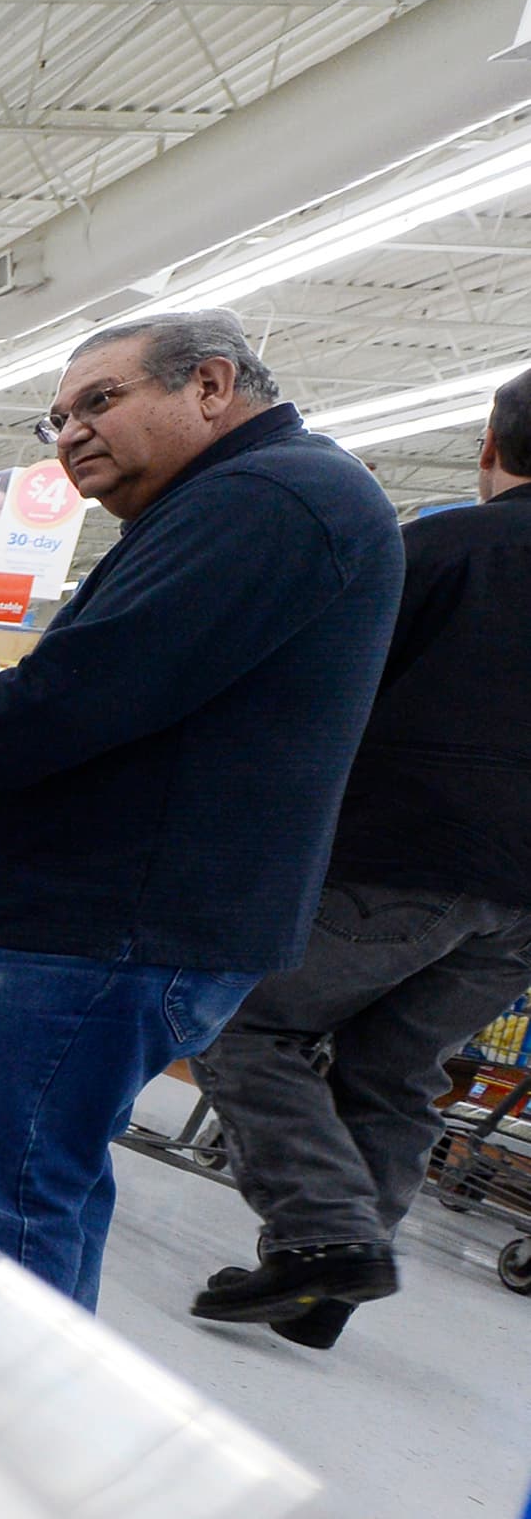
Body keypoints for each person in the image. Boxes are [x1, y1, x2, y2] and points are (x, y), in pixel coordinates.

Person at [0, 310, 401, 1309]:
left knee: (6, 1183)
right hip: (123, 916)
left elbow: (82, 689)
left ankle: (11, 1440)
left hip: (114, 919)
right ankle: (30, 1418)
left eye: (100, 400)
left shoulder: (267, 498)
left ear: (210, 386)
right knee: (37, 1171)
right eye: (54, 418)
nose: (70, 434)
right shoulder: (239, 500)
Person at [186, 369, 531, 1346]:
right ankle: (320, 1290)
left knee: (237, 1014)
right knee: (395, 1068)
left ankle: (321, 1236)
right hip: (520, 900)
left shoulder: (429, 550)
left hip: (399, 855)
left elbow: (314, 689)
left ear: (484, 447)